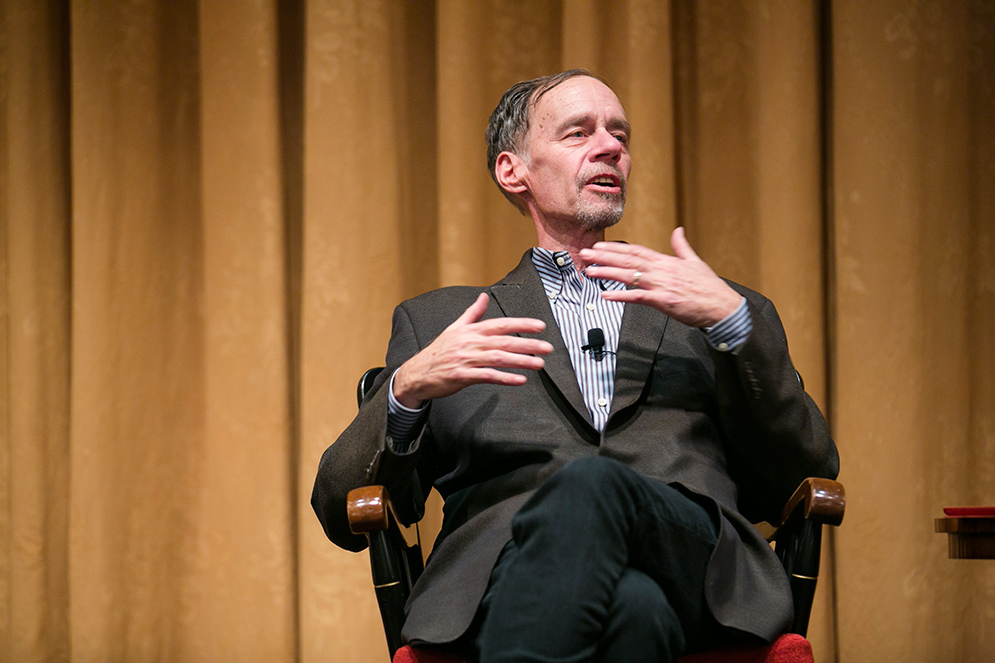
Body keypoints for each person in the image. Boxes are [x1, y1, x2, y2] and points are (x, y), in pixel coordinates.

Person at [312, 69, 838, 663]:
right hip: (504, 576)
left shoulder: (714, 308)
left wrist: (734, 328)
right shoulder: (441, 322)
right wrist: (405, 393)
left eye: (619, 133)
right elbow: (341, 509)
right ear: (514, 171)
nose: (611, 146)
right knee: (633, 609)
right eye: (578, 132)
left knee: (591, 486)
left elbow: (805, 473)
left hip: (694, 563)